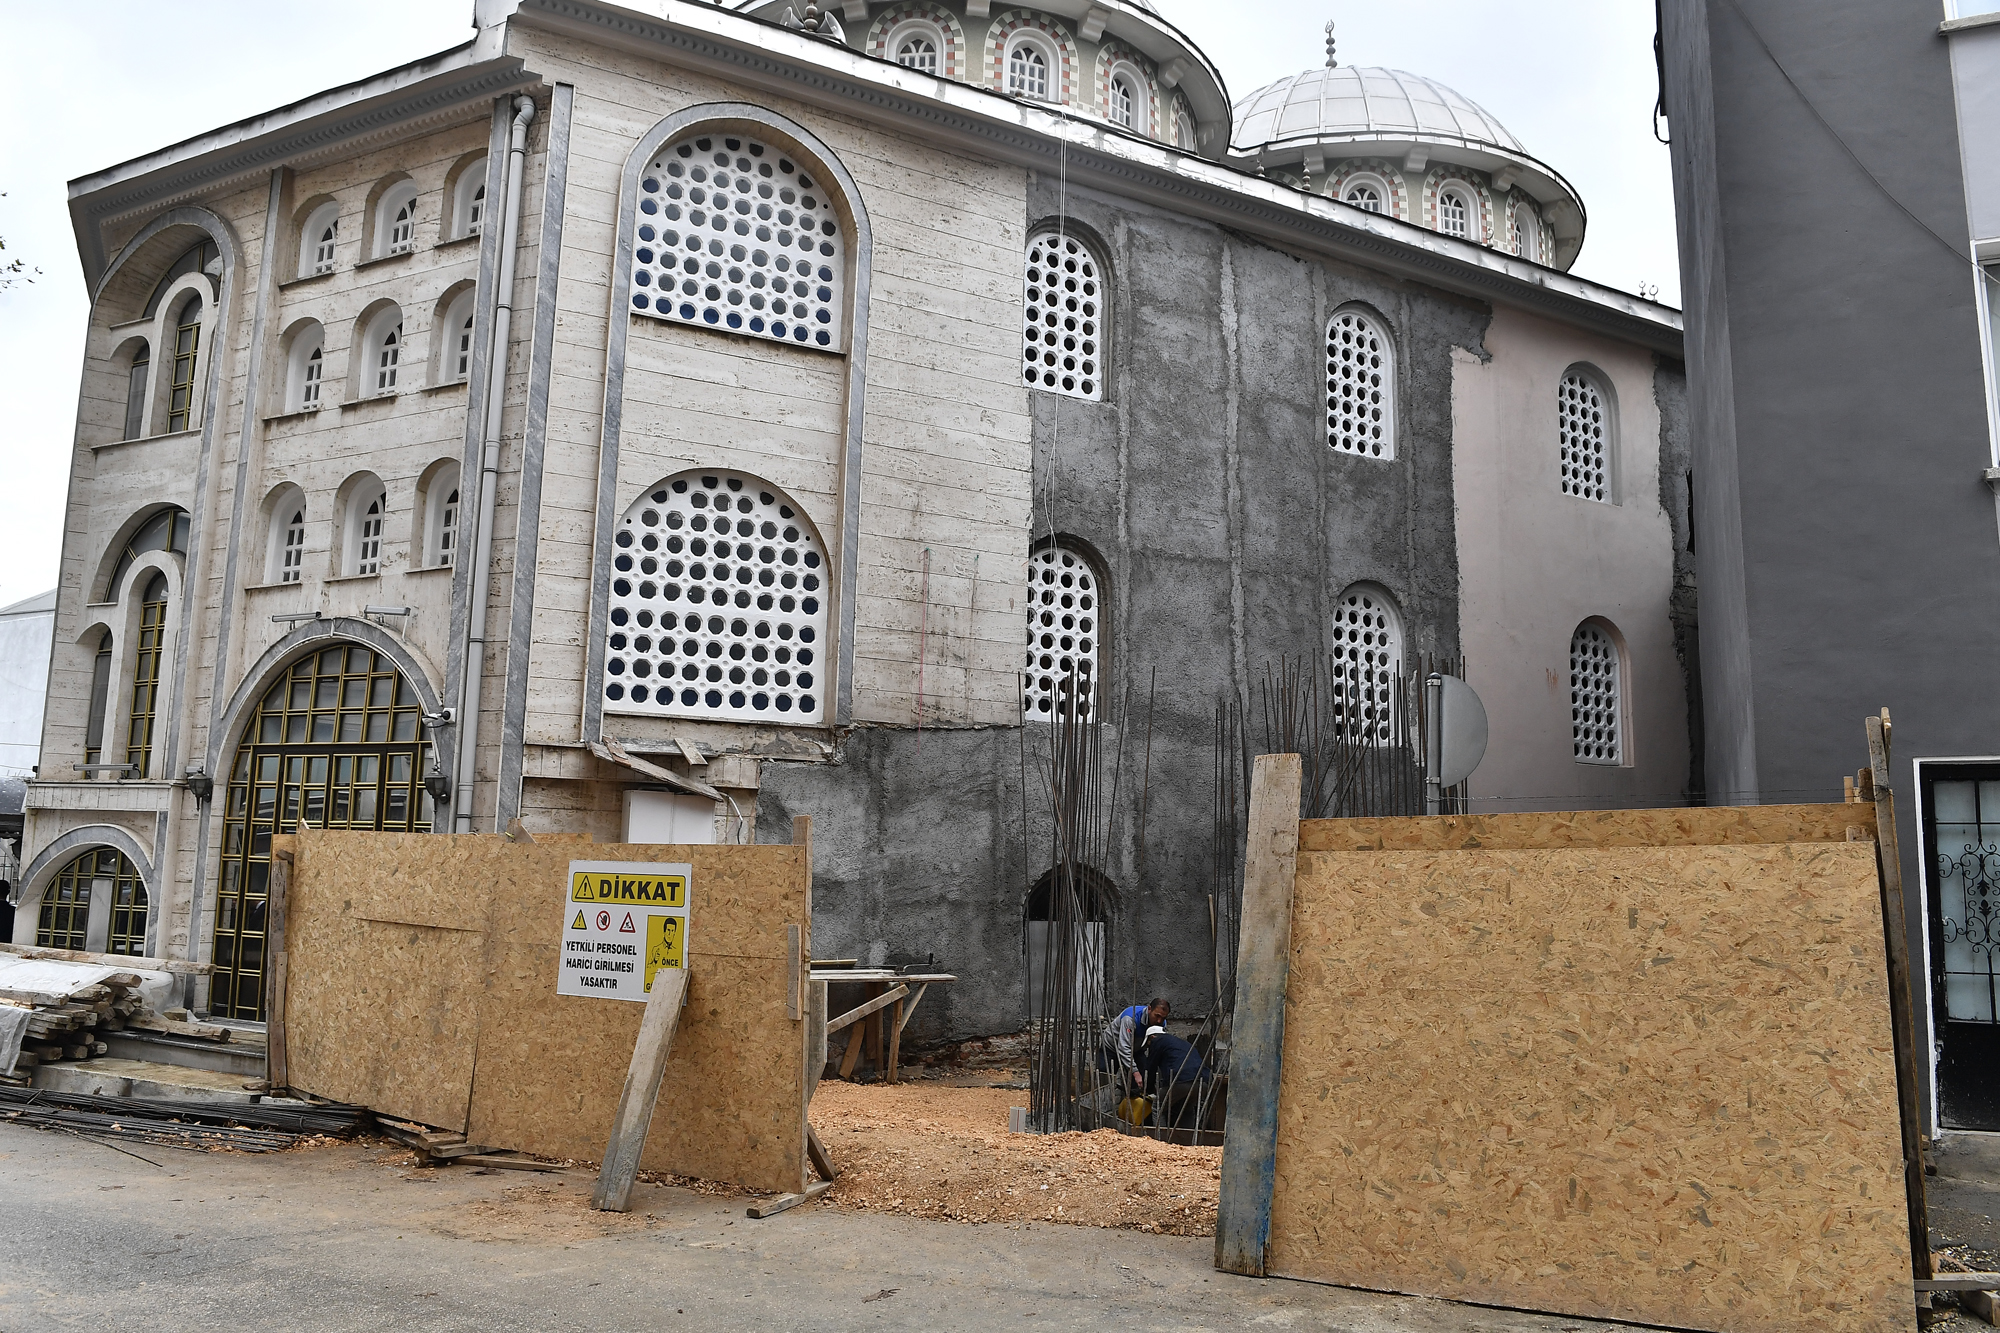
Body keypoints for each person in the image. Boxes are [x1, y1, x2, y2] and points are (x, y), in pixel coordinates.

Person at [1099, 997, 1168, 1092]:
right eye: (1157, 1016)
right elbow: (1124, 1047)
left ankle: (1134, 1102)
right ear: (1149, 1009)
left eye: (1163, 1018)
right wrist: (1135, 1072)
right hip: (1111, 1047)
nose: (1159, 1021)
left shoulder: (1162, 1024)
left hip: (1137, 1049)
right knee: (1104, 1080)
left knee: (1144, 1078)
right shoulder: (1130, 1018)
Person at [1138, 1023, 1211, 1087]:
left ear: (1152, 1037)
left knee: (1159, 1101)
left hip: (1182, 1081)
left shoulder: (1157, 1041)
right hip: (1203, 1081)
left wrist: (1146, 1087)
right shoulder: (1181, 1043)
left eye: (1148, 1044)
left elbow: (1151, 1067)